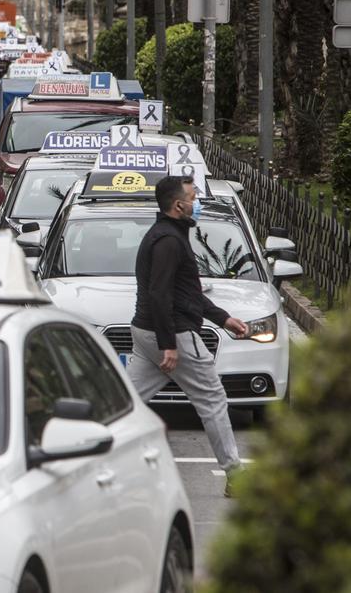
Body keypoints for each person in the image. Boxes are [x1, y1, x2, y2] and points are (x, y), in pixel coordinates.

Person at [126, 175, 250, 497]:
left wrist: (223, 318)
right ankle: (235, 475)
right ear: (178, 205)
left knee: (126, 403)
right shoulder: (168, 241)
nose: (197, 204)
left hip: (145, 333)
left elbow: (184, 294)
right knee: (212, 400)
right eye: (193, 198)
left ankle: (87, 461)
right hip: (174, 335)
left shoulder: (167, 235)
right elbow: (160, 295)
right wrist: (169, 344)